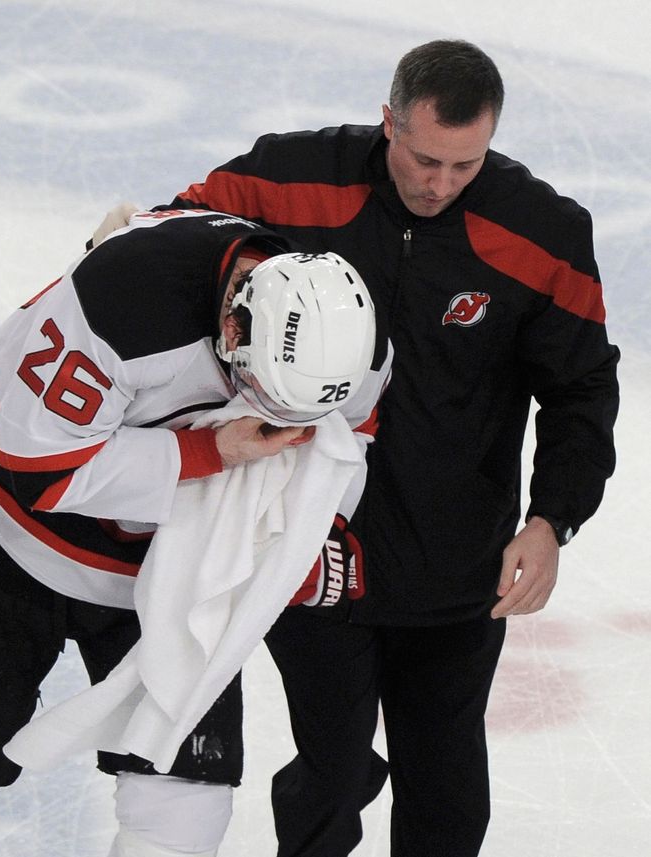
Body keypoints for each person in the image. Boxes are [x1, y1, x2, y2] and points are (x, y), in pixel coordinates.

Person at [91, 39, 620, 857]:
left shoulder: (543, 233)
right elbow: (180, 237)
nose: (440, 183)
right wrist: (124, 240)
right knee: (329, 775)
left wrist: (555, 518)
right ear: (389, 122)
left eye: (465, 164)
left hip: (459, 573)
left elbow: (583, 389)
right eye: (425, 158)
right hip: (311, 555)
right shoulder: (294, 179)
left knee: (445, 791)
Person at [0, 207, 388, 857]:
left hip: (166, 567)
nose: (279, 425)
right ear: (231, 325)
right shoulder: (120, 305)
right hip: (5, 536)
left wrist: (315, 531)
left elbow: (351, 430)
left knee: (187, 801)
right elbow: (37, 471)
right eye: (262, 393)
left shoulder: (347, 340)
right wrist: (210, 453)